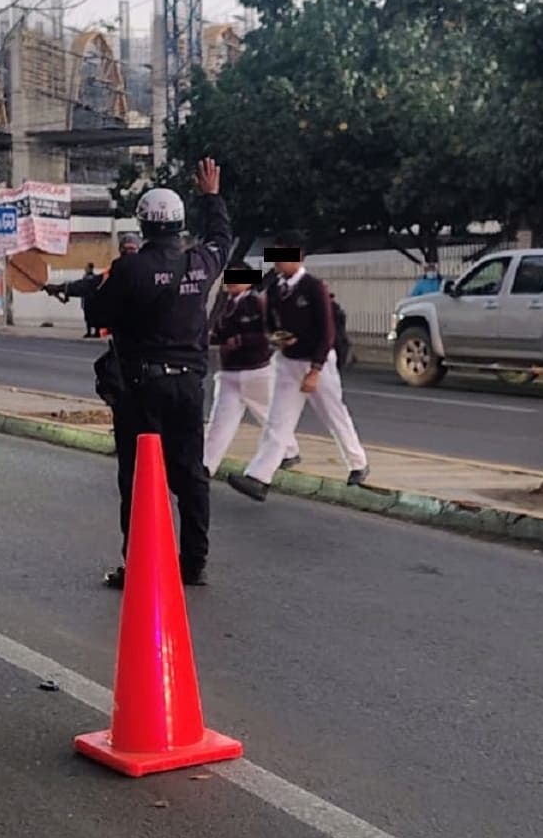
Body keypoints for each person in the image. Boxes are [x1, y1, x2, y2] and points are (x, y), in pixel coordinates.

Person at [84, 160, 231, 589]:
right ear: (181, 224)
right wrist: (212, 195)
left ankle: (144, 566)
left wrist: (98, 286)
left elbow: (97, 313)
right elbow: (223, 237)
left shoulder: (130, 270)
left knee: (141, 479)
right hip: (190, 386)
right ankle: (194, 563)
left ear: (143, 226)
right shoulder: (202, 264)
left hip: (142, 388)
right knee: (190, 475)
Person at [227, 236, 370, 503]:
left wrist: (315, 371)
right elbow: (269, 326)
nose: (278, 263)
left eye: (283, 257)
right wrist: (276, 338)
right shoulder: (274, 290)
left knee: (334, 414)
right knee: (278, 421)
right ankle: (259, 477)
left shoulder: (313, 288)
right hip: (287, 362)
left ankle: (357, 463)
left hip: (317, 361)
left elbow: (327, 332)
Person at [202, 266, 300, 477]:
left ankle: (289, 450)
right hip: (230, 373)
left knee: (270, 416)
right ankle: (206, 466)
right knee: (219, 424)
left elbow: (270, 333)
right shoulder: (228, 305)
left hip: (256, 371)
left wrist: (240, 340)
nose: (232, 281)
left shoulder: (257, 303)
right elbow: (218, 333)